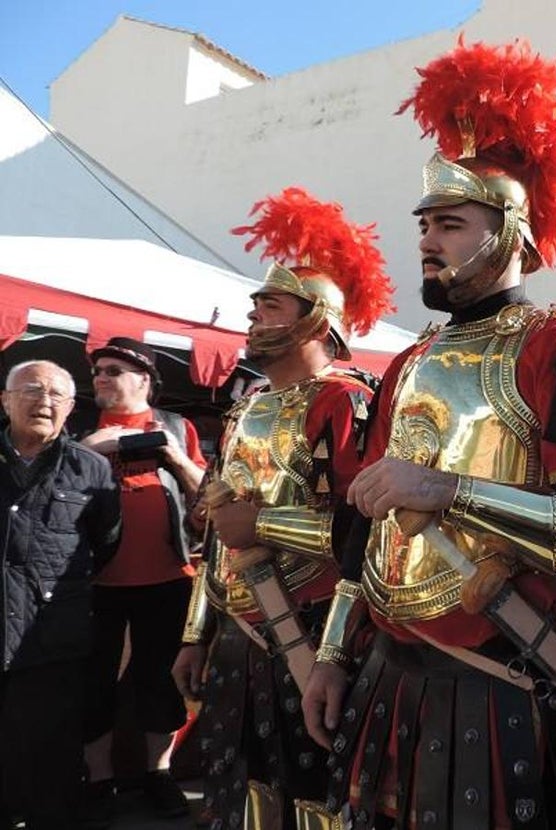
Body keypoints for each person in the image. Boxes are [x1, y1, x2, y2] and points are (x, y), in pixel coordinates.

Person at [301, 40, 556, 830]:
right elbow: (363, 528)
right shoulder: (409, 360)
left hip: (504, 685)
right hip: (386, 680)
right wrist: (330, 654)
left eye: (451, 225)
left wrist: (444, 489)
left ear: (513, 235)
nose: (427, 240)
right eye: (425, 224)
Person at [170, 187, 393, 829]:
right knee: (239, 791)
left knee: (312, 796)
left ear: (316, 320)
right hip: (238, 630)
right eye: (257, 305)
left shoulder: (343, 402)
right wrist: (196, 633)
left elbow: (364, 526)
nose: (254, 315)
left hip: (314, 627)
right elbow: (219, 534)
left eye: (271, 305)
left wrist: (262, 523)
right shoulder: (245, 409)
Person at [74, 336, 206, 825]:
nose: (101, 378)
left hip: (168, 576)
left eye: (113, 370)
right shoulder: (80, 424)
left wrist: (176, 457)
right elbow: (52, 483)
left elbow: (205, 499)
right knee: (94, 683)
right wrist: (94, 448)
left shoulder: (176, 426)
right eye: (98, 371)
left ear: (144, 379)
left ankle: (159, 774)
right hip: (93, 580)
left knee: (162, 681)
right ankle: (99, 781)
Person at [0, 361, 121, 829]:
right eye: (31, 389)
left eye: (57, 395)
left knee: (49, 762)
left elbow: (106, 542)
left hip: (50, 639)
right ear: (6, 399)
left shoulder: (90, 470)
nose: (44, 401)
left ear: (71, 408)